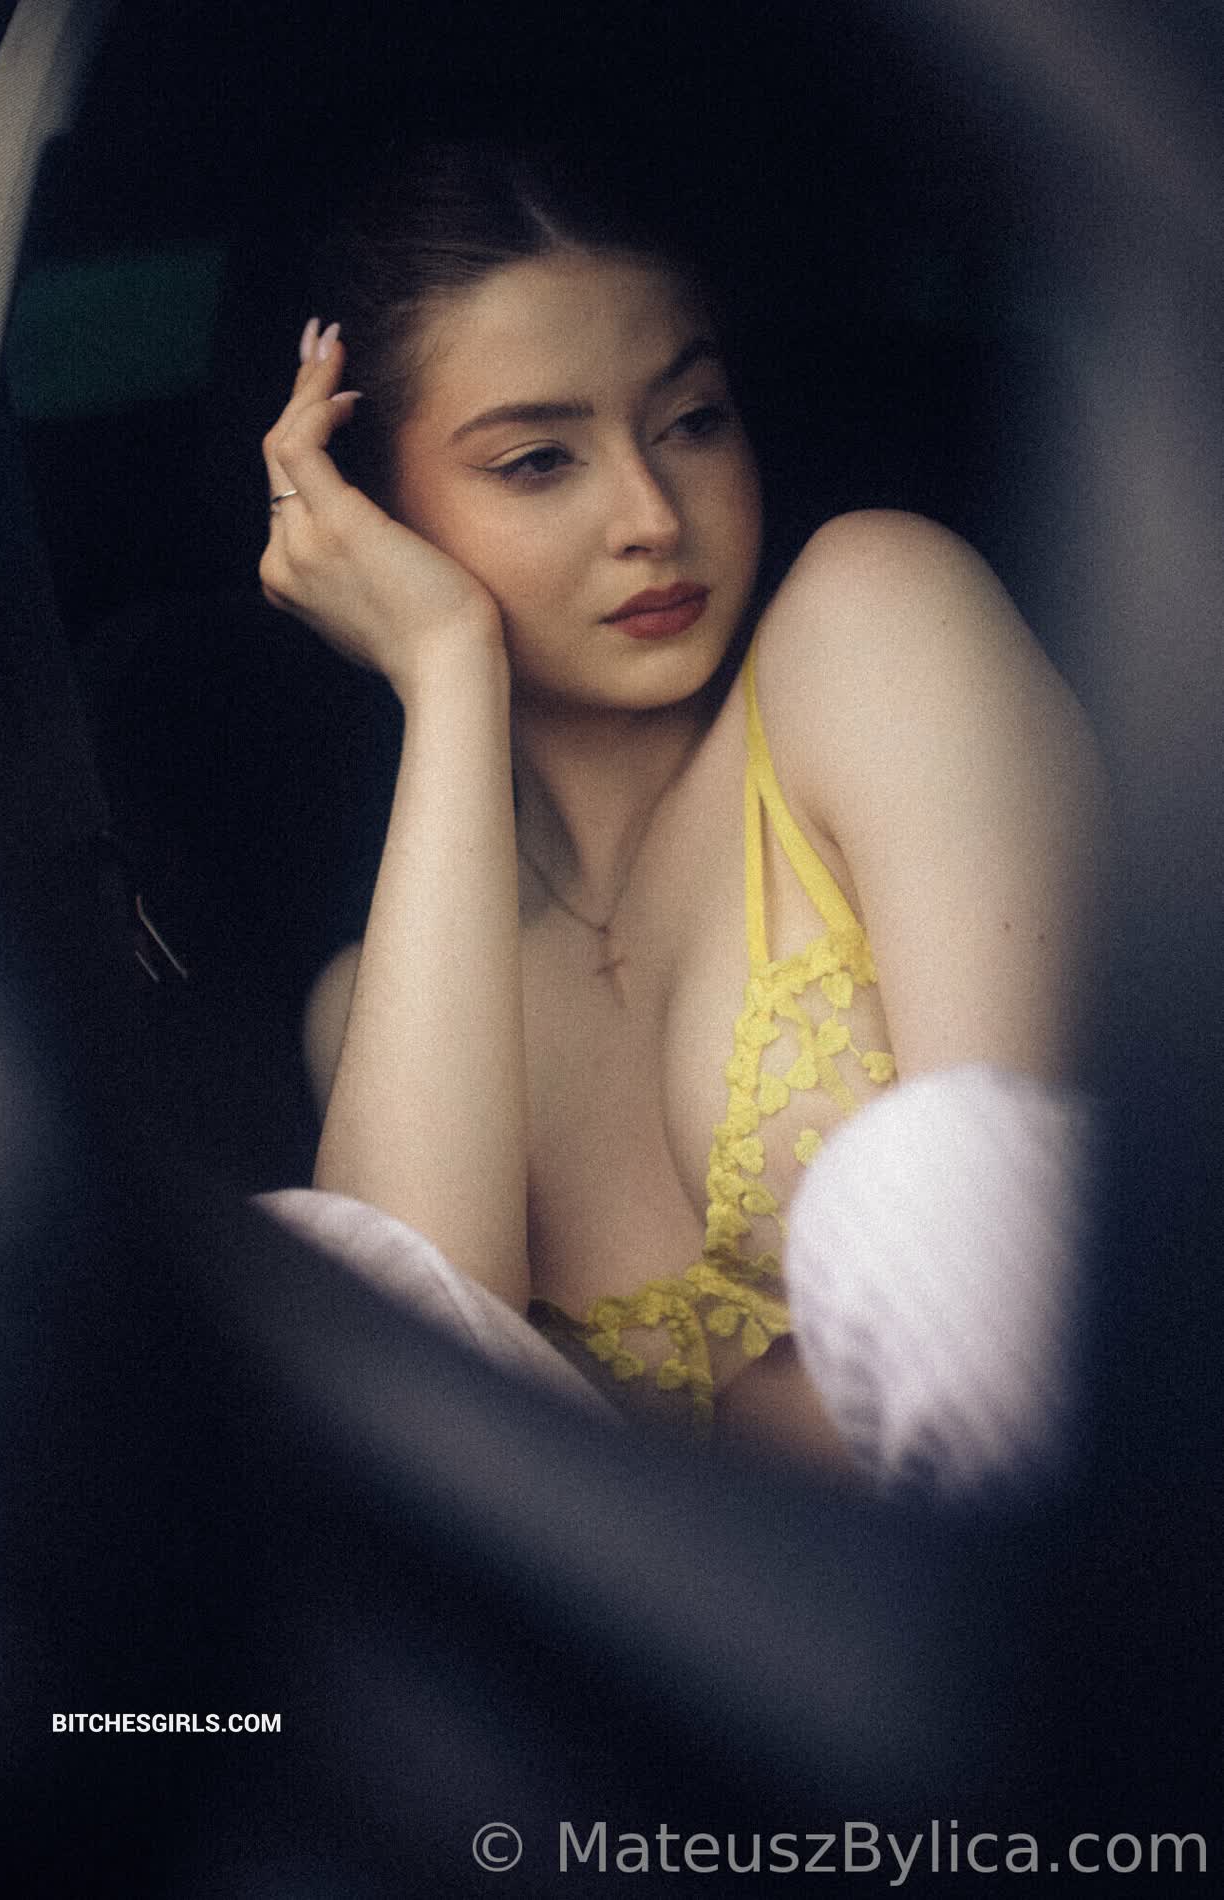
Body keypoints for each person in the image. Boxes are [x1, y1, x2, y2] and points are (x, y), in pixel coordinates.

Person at [257, 144, 1107, 1482]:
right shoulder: (369, 1001)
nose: (651, 515)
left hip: (1065, 1545)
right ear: (370, 518)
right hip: (665, 1615)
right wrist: (446, 667)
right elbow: (423, 1428)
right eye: (538, 460)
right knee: (330, 1261)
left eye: (691, 421)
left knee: (934, 1179)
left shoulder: (873, 623)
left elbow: (1070, 1267)